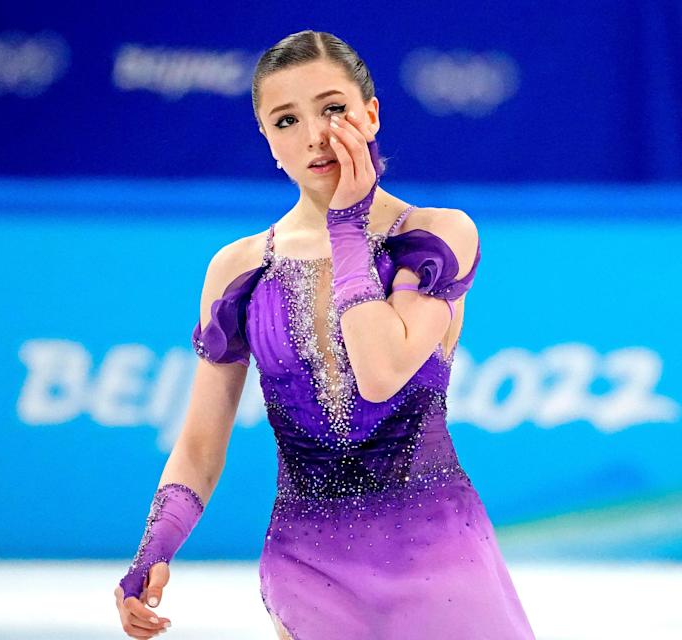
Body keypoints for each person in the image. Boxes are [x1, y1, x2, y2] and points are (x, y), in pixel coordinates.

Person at [114, 30, 537, 640]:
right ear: (268, 142)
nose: (315, 135)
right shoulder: (238, 270)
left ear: (371, 114)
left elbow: (381, 369)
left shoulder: (434, 236)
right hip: (308, 568)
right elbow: (201, 446)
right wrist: (154, 548)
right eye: (286, 120)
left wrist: (347, 224)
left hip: (442, 563)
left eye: (333, 108)